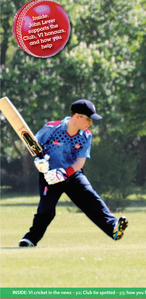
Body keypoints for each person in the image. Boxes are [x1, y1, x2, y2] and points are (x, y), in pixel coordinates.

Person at [19, 99, 128, 247]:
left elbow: (80, 162)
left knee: (91, 198)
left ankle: (113, 227)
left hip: (72, 174)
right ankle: (30, 239)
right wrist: (40, 162)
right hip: (49, 175)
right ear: (77, 116)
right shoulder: (52, 128)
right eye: (89, 119)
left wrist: (64, 173)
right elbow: (33, 146)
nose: (91, 123)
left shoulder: (85, 136)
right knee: (46, 210)